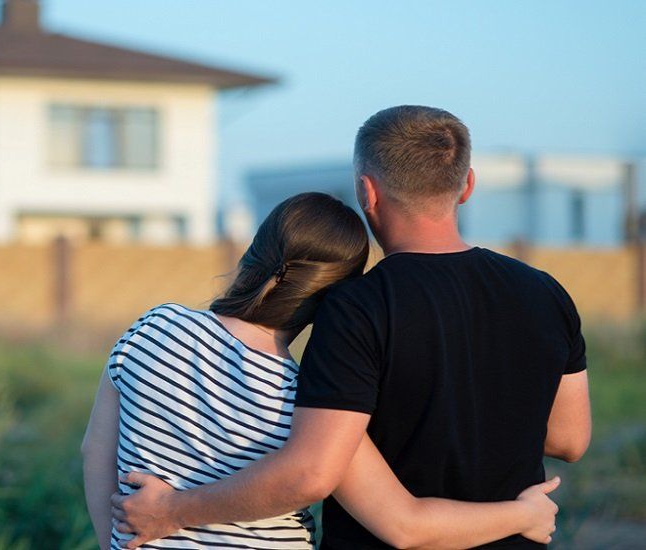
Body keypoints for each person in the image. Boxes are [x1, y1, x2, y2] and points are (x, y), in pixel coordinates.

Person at [109, 106, 591, 549]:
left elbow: (312, 472)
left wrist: (171, 511)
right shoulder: (546, 292)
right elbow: (570, 440)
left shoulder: (355, 307)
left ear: (367, 191)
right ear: (466, 185)